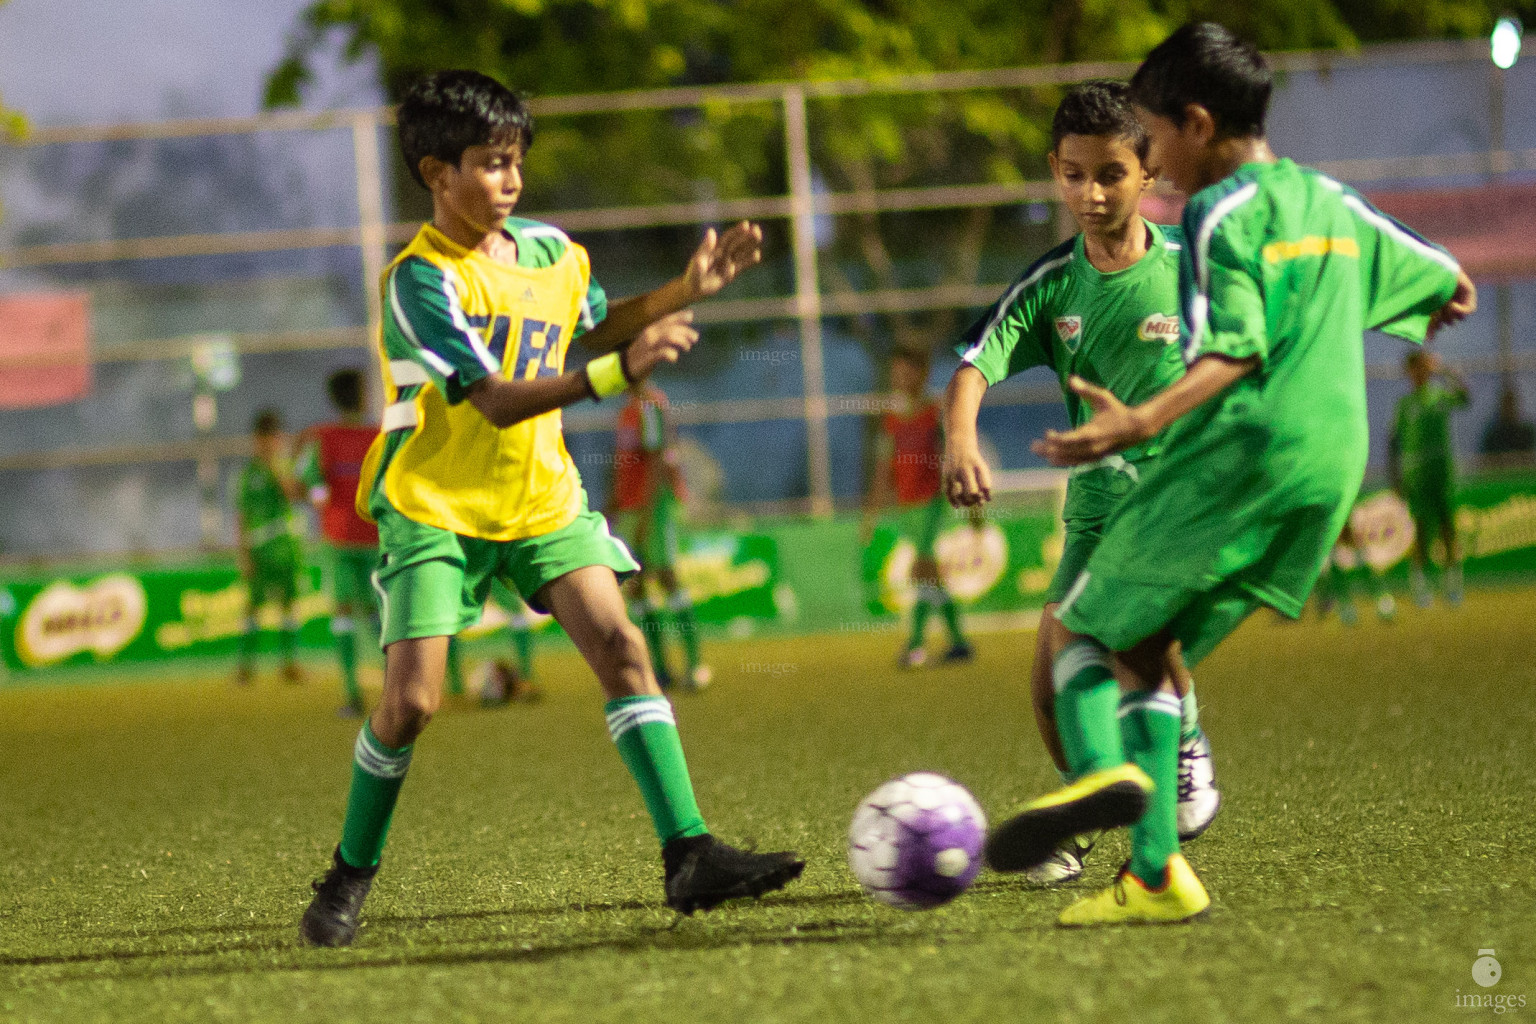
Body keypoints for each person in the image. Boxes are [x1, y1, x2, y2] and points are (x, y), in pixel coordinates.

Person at [951, 23, 1475, 925]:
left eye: (1146, 141)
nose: (1137, 161)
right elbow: (1452, 290)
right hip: (1330, 467)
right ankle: (1154, 871)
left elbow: (1231, 350)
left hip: (1230, 457)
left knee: (1080, 641)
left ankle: (1116, 779)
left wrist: (1144, 417)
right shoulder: (1329, 199)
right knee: (1145, 650)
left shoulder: (1217, 217)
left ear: (1191, 129)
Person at [298, 70, 802, 948]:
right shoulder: (420, 283)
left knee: (622, 646)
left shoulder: (553, 253)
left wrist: (682, 293)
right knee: (412, 704)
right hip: (436, 507)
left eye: (516, 162)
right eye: (491, 165)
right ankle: (350, 870)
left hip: (541, 498)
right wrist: (619, 375)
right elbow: (492, 399)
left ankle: (688, 854)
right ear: (435, 172)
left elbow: (594, 329)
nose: (511, 180)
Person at [944, 81, 1219, 887]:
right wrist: (961, 438)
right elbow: (972, 365)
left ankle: (1184, 749)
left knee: (1132, 645)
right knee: (1045, 689)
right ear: (1054, 172)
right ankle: (1085, 808)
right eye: (1072, 175)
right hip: (1095, 510)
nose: (1090, 195)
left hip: (1175, 497)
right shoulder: (1051, 285)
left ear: (1150, 174)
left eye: (1110, 175)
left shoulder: (1193, 271)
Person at [865, 348, 974, 670]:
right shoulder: (891, 421)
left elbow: (952, 456)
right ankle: (959, 642)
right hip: (906, 507)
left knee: (920, 570)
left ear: (922, 373)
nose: (900, 378)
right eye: (896, 372)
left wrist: (968, 500)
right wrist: (871, 513)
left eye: (907, 371)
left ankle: (914, 645)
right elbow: (884, 468)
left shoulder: (934, 413)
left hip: (931, 504)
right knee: (931, 577)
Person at [612, 383, 711, 692]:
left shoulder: (650, 405)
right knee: (637, 585)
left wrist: (645, 513)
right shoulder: (626, 410)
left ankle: (695, 666)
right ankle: (659, 670)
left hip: (653, 506)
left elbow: (657, 460)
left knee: (667, 577)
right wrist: (615, 504)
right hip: (630, 507)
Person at [296, 369, 380, 717]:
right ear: (362, 396)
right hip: (375, 537)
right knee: (380, 614)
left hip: (340, 538)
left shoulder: (323, 438)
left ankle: (353, 693)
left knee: (344, 612)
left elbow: (309, 480)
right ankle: (397, 690)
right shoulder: (379, 436)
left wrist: (319, 497)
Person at [1389, 350, 1469, 606]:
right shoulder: (1404, 405)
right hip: (1416, 478)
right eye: (1414, 369)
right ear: (1409, 373)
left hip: (1441, 474)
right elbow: (1393, 443)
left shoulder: (1439, 396)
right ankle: (1421, 585)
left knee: (1448, 527)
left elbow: (1466, 398)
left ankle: (1453, 583)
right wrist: (1396, 479)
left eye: (1423, 368)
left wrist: (1444, 370)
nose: (1418, 374)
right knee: (1421, 531)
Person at [234, 409, 306, 686]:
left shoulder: (286, 466)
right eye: (265, 438)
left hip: (287, 547)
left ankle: (290, 664)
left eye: (275, 437)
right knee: (252, 607)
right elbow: (241, 516)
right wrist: (243, 555)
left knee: (290, 606)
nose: (270, 443)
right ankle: (245, 666)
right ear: (257, 439)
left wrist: (279, 467)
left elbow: (294, 495)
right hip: (259, 550)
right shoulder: (247, 473)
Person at [1480, 384, 1536, 460]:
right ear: (1501, 406)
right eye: (1506, 405)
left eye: (1511, 404)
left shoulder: (1527, 432)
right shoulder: (1493, 435)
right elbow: (1488, 460)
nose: (1509, 408)